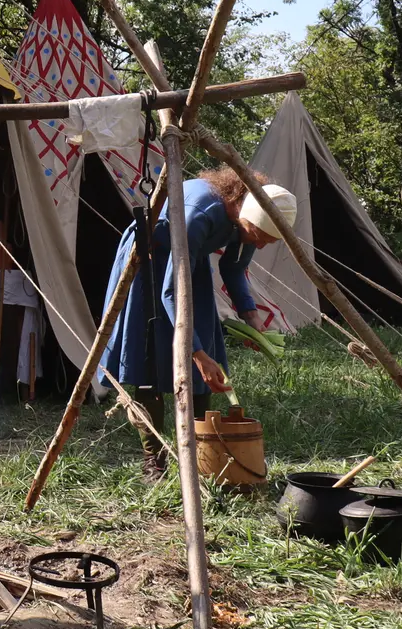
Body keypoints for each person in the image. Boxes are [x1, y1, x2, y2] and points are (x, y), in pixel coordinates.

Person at [101, 166, 297, 480]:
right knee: (152, 360)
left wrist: (252, 318)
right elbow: (170, 290)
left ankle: (198, 453)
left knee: (201, 363)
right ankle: (154, 460)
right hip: (150, 265)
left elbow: (234, 268)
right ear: (247, 216)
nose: (260, 245)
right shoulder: (200, 214)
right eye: (260, 237)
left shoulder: (247, 213)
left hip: (191, 267)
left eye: (268, 242)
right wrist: (198, 355)